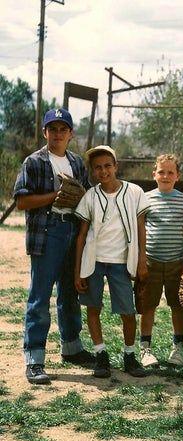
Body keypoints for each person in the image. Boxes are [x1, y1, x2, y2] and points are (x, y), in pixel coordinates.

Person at [13, 108, 95, 384]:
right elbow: (22, 201)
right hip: (48, 231)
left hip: (72, 228)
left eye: (63, 129)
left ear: (71, 134)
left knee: (70, 292)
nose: (58, 134)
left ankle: (71, 347)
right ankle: (34, 358)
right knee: (40, 295)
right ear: (45, 132)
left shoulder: (75, 162)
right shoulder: (34, 162)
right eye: (53, 128)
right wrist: (54, 195)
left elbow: (85, 197)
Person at [74, 145, 149, 378]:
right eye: (98, 168)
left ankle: (129, 355)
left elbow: (140, 228)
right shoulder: (91, 196)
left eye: (108, 165)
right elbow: (82, 235)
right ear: (92, 172)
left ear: (116, 166)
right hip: (94, 261)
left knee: (128, 311)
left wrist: (142, 260)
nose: (103, 171)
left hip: (122, 262)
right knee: (93, 307)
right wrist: (78, 272)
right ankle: (101, 355)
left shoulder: (134, 192)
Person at [139, 154, 183, 368]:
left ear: (178, 176)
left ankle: (178, 348)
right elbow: (140, 232)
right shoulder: (144, 199)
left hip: (177, 263)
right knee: (148, 305)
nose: (165, 176)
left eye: (170, 172)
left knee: (177, 305)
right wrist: (141, 260)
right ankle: (145, 349)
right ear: (154, 174)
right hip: (151, 262)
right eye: (161, 171)